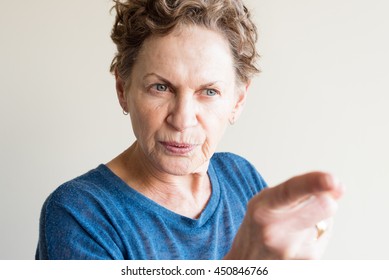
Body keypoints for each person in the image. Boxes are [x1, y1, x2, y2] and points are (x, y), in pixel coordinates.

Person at [35, 0, 344, 260]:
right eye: (160, 87)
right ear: (122, 88)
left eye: (208, 91)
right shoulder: (80, 213)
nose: (182, 120)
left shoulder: (241, 176)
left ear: (237, 101)